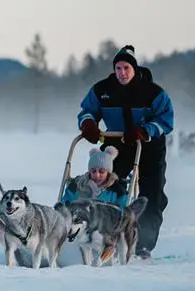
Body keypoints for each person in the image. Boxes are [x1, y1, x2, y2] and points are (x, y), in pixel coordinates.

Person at [76, 44, 174, 260]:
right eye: (118, 68)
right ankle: (97, 233)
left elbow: (166, 119)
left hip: (149, 145)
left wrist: (145, 130)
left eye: (126, 68)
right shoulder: (102, 90)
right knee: (104, 183)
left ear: (134, 69)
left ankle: (142, 245)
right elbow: (86, 111)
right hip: (117, 144)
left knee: (152, 194)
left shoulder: (153, 92)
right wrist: (88, 124)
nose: (122, 73)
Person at [61, 146, 128, 208]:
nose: (97, 175)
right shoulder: (77, 186)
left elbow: (123, 211)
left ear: (108, 173)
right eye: (93, 171)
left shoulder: (117, 191)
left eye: (101, 171)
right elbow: (64, 206)